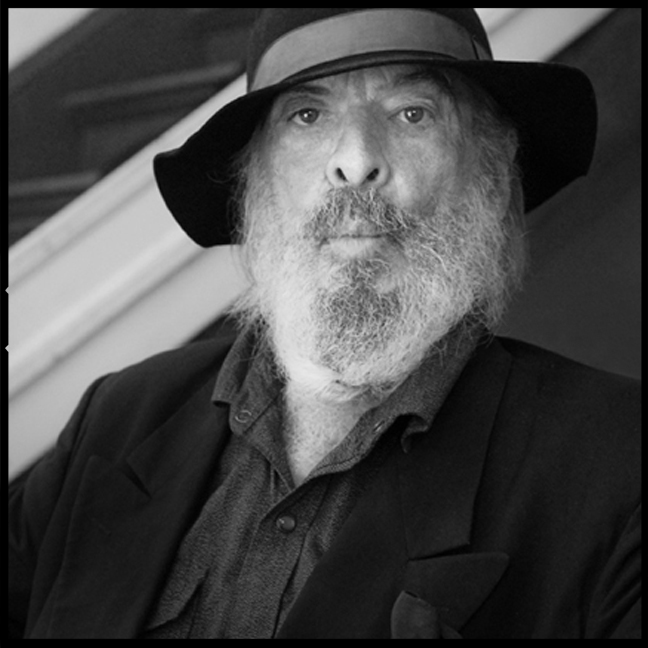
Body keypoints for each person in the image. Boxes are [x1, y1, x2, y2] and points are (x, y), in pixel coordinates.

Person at [8, 8, 640, 639]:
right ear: (254, 183)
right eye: (307, 115)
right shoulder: (117, 417)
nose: (356, 161)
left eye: (412, 113)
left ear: (493, 174)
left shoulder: (619, 465)